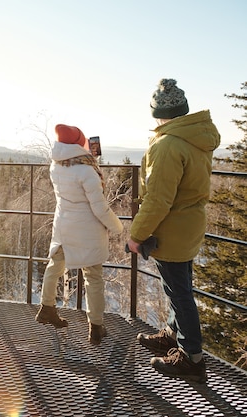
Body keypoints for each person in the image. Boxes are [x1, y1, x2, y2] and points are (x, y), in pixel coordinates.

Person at [129, 78, 220, 383]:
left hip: (172, 227)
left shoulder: (168, 144)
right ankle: (173, 334)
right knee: (177, 286)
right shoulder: (195, 137)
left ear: (158, 113)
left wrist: (137, 234)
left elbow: (158, 199)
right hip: (189, 224)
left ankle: (192, 358)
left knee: (179, 292)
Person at [35, 124, 123, 345]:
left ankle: (46, 308)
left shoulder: (55, 167)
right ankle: (96, 327)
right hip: (87, 230)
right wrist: (118, 227)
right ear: (78, 143)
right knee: (93, 276)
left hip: (64, 224)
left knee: (55, 264)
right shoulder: (87, 170)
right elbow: (99, 207)